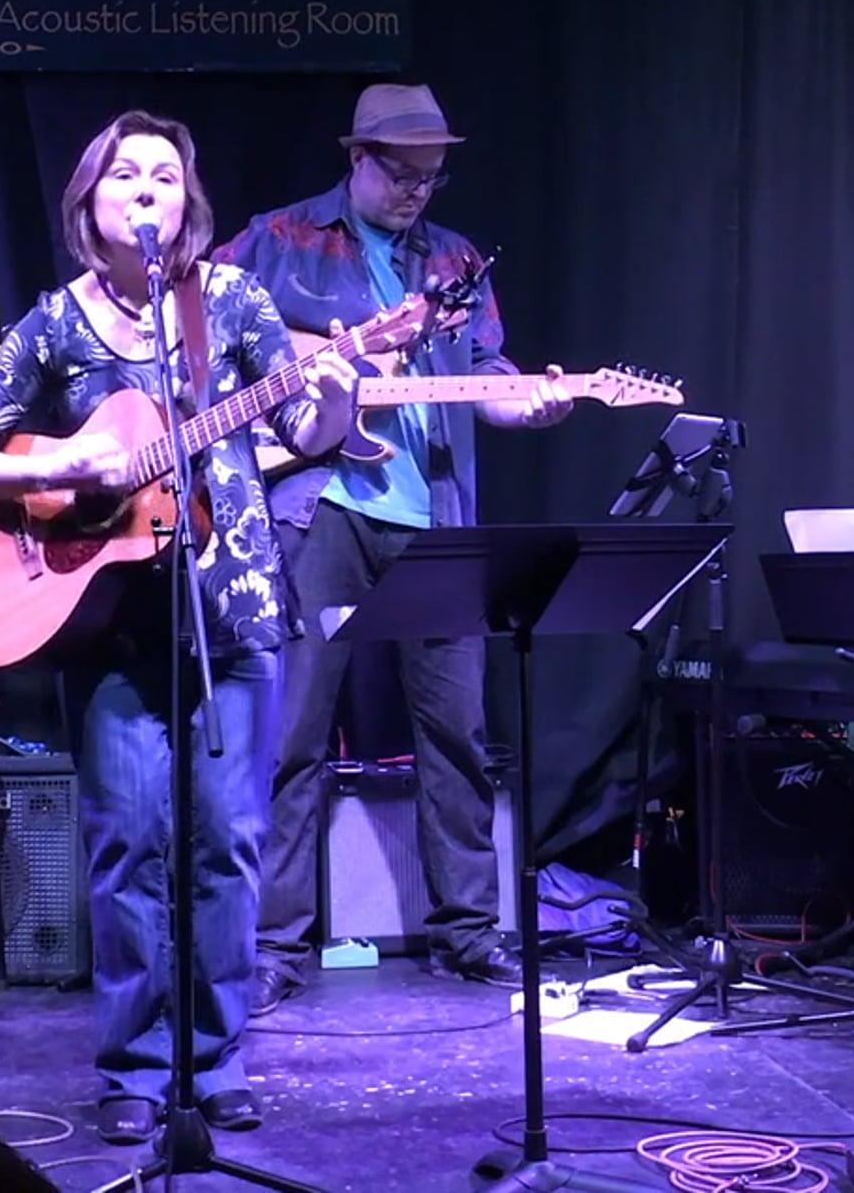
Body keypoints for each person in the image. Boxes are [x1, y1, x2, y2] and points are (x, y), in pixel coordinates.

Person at [0, 109, 356, 1143]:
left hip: (233, 612)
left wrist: (339, 400)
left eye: (165, 176)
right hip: (109, 625)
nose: (147, 192)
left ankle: (216, 1060)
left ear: (187, 202)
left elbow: (302, 428)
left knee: (229, 844)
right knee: (128, 846)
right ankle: (133, 1067)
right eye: (126, 175)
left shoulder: (233, 303)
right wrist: (60, 464)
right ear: (91, 202)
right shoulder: (56, 323)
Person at [211, 83, 573, 1015]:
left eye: (431, 176)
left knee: (457, 734)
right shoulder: (280, 238)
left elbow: (485, 375)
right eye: (402, 173)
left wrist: (528, 402)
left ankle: (469, 933)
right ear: (358, 157)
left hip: (433, 517)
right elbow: (196, 326)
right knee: (290, 737)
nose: (416, 191)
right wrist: (304, 365)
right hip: (316, 506)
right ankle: (274, 945)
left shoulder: (455, 261)